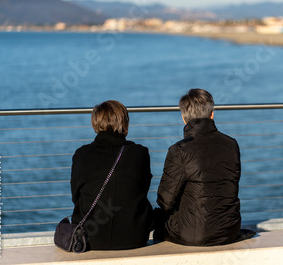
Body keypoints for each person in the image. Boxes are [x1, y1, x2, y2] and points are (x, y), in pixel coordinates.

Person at [154, 88, 255, 246]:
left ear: (184, 118)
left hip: (194, 235)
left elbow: (165, 201)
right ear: (212, 114)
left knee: (159, 219)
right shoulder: (231, 144)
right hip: (229, 230)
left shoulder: (179, 150)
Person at [71, 100, 154, 250]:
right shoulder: (140, 153)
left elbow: (76, 196)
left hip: (89, 238)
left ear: (95, 123)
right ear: (125, 123)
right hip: (134, 236)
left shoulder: (81, 154)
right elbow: (141, 191)